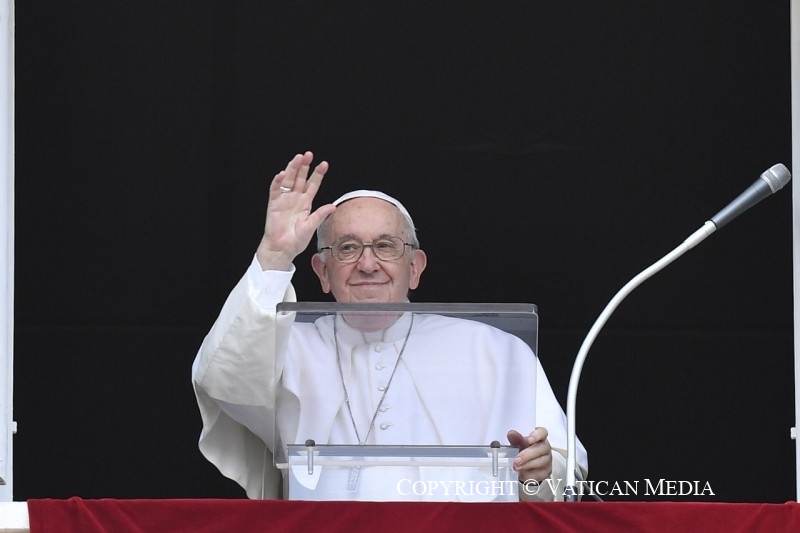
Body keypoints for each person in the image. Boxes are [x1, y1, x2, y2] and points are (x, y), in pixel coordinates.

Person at [192, 151, 588, 501]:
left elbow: (564, 473)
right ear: (322, 272)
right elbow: (224, 379)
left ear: (414, 268)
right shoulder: (284, 345)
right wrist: (275, 256)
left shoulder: (495, 351)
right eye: (347, 248)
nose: (367, 264)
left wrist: (540, 471)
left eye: (386, 246)